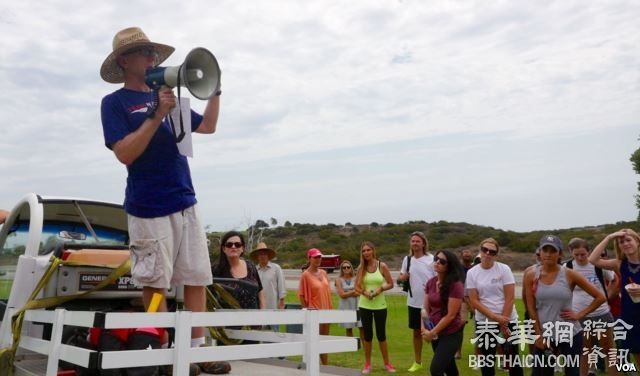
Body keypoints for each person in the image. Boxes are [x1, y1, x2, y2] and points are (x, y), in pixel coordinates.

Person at [99, 27, 221, 373]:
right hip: (148, 207)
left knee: (196, 278)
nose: (153, 58)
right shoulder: (115, 103)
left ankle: (199, 353)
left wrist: (215, 90)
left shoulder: (172, 99)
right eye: (145, 53)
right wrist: (156, 116)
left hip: (185, 200)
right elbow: (125, 153)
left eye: (154, 53)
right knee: (155, 283)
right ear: (124, 61)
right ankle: (162, 352)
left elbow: (208, 126)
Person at [523, 235, 606, 376]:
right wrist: (537, 335)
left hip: (570, 333)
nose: (548, 254)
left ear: (560, 254)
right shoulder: (531, 275)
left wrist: (579, 314)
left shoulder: (569, 274)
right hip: (545, 333)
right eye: (545, 250)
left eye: (553, 251)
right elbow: (531, 308)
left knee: (572, 373)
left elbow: (600, 297)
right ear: (540, 252)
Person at [466, 238, 523, 376]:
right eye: (485, 250)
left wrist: (504, 323)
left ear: (496, 255)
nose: (488, 253)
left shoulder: (504, 269)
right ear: (480, 251)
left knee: (512, 358)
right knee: (487, 360)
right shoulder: (472, 273)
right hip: (485, 321)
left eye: (492, 251)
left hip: (508, 319)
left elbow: (509, 298)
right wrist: (494, 317)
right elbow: (474, 300)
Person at [588, 229, 640, 368]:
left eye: (629, 240)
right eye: (621, 242)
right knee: (637, 353)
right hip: (630, 317)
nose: (625, 244)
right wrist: (609, 237)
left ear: (638, 242)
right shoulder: (619, 264)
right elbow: (593, 259)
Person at [421, 250, 465, 376]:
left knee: (436, 369)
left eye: (442, 261)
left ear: (449, 265)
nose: (437, 262)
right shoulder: (431, 282)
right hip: (435, 332)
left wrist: (432, 333)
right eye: (436, 259)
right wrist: (424, 329)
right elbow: (425, 311)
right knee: (450, 369)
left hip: (451, 333)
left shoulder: (455, 285)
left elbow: (451, 315)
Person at [354, 242, 396, 374]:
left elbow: (390, 283)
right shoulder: (361, 267)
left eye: (368, 250)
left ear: (373, 251)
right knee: (367, 336)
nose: (366, 253)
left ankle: (387, 364)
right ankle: (367, 364)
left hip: (380, 306)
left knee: (381, 335)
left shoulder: (381, 265)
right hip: (365, 305)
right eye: (364, 251)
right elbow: (356, 287)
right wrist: (365, 293)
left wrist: (380, 289)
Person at [397, 231, 435, 373]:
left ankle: (439, 359)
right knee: (416, 333)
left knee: (434, 332)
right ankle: (417, 362)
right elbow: (401, 277)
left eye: (418, 241)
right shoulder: (407, 260)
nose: (415, 243)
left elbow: (439, 279)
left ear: (423, 243)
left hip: (430, 304)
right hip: (413, 302)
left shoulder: (432, 259)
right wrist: (403, 277)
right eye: (413, 241)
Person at [211, 231, 265, 310]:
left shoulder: (251, 267)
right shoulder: (215, 270)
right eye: (229, 245)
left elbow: (260, 291)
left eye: (237, 244)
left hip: (254, 319)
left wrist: (262, 314)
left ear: (242, 248)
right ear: (223, 249)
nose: (233, 247)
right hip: (227, 320)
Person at [298, 248, 333, 365]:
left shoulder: (324, 273)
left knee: (324, 341)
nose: (318, 259)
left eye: (319, 257)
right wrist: (306, 312)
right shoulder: (305, 275)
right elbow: (302, 295)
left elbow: (328, 292)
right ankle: (313, 366)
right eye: (315, 257)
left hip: (326, 311)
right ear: (309, 258)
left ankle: (325, 366)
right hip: (314, 313)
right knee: (315, 342)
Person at [250, 242, 286, 330]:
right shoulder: (254, 270)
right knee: (260, 333)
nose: (263, 256)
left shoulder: (276, 268)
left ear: (268, 255)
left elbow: (282, 286)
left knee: (274, 332)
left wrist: (281, 303)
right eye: (260, 254)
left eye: (265, 254)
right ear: (257, 256)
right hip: (259, 307)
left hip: (273, 306)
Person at [334, 260, 362, 338]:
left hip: (357, 305)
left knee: (361, 327)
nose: (346, 269)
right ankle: (350, 346)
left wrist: (347, 292)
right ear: (341, 269)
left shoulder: (356, 278)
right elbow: (342, 295)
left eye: (348, 267)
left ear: (351, 268)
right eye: (344, 267)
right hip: (346, 306)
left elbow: (359, 292)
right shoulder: (338, 280)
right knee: (349, 328)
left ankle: (365, 347)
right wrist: (353, 291)